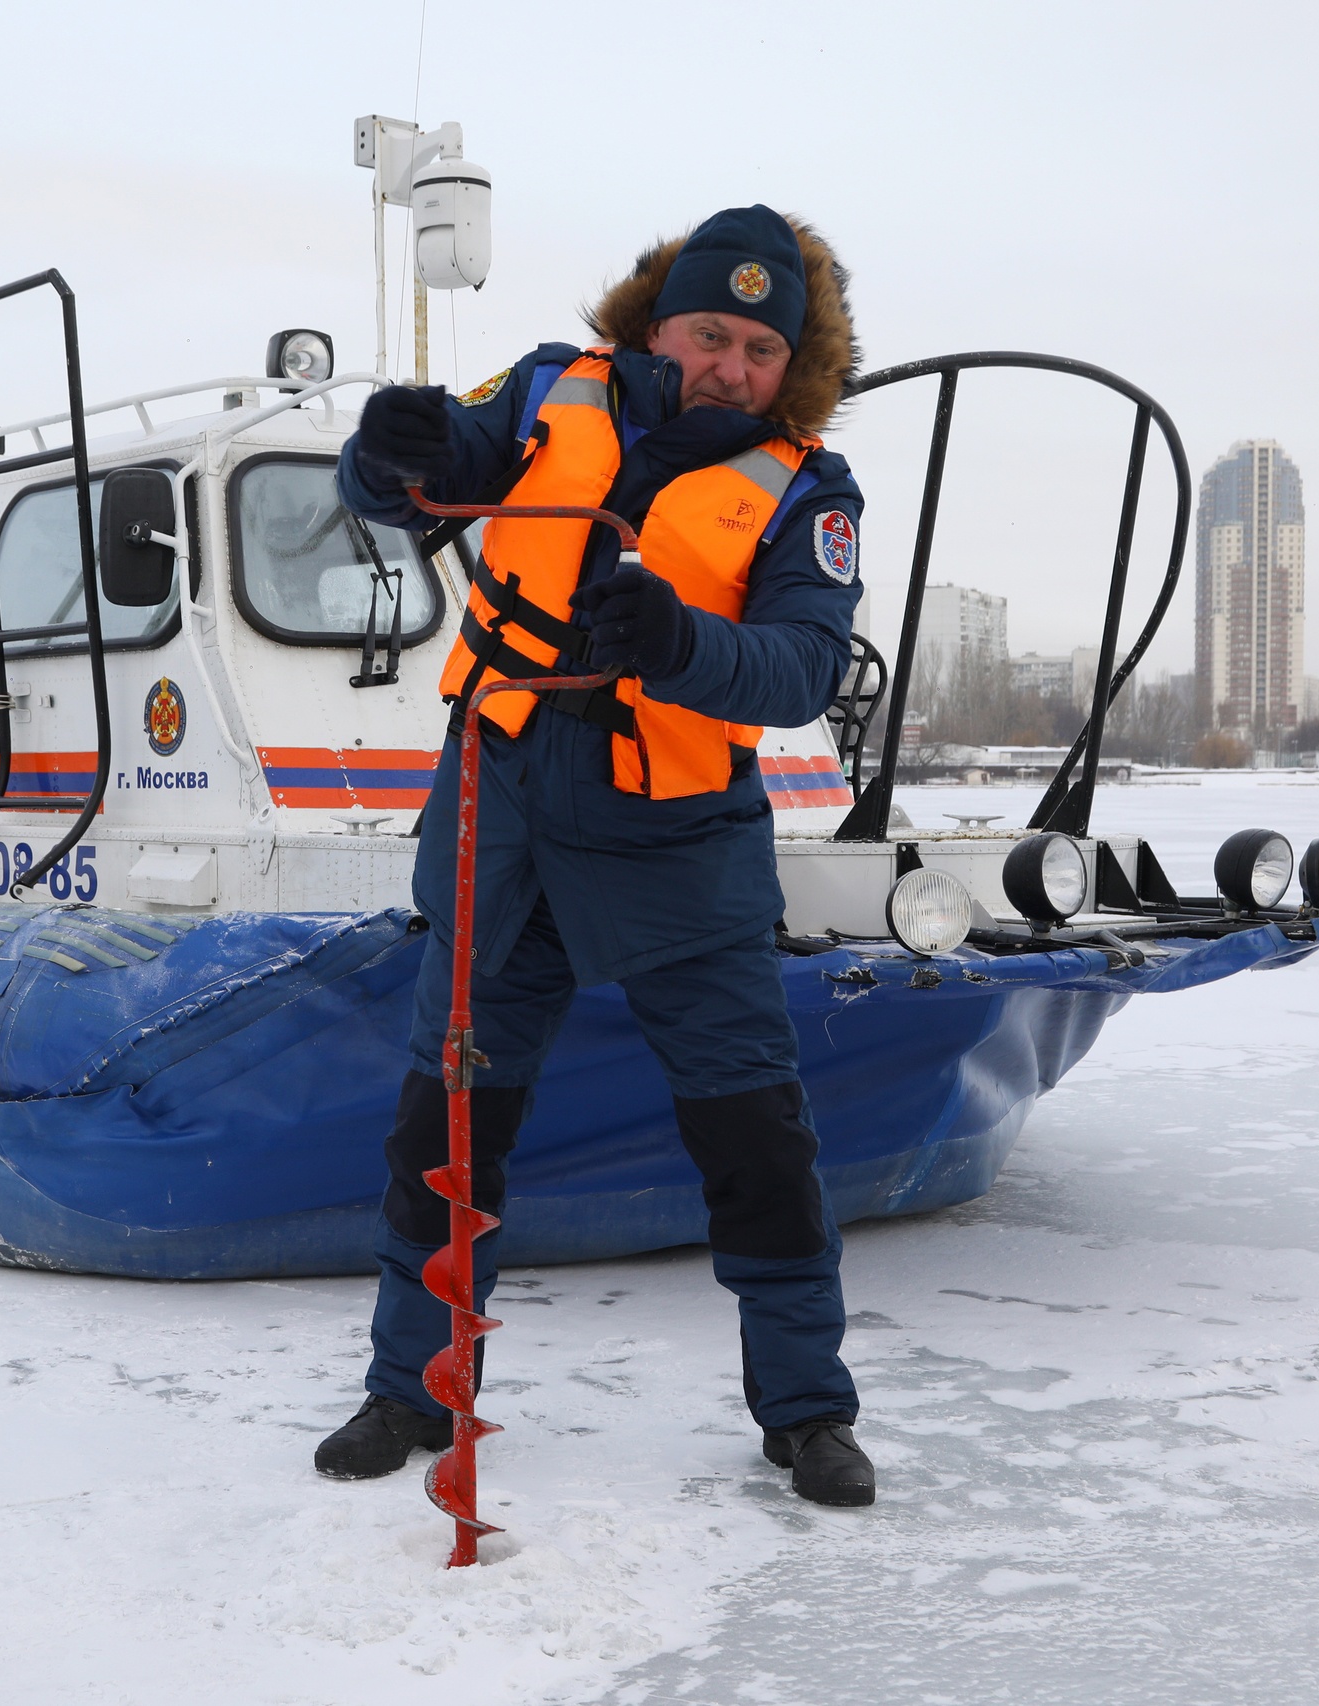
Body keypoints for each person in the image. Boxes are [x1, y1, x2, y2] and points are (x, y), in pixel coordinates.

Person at [312, 206, 876, 1506]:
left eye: (760, 348)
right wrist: (383, 454)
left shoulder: (807, 494)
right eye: (710, 332)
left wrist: (674, 641)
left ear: (792, 370)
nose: (732, 364)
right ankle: (412, 1389)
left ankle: (805, 1411)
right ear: (653, 322)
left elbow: (800, 667)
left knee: (756, 1142)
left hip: (679, 849)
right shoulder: (545, 388)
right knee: (446, 1121)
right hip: (498, 818)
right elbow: (426, 470)